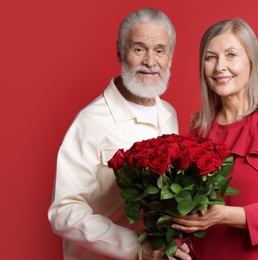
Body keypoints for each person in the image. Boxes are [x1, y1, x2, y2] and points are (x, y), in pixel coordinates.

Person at [48, 8, 191, 260]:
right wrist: (135, 247)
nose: (150, 61)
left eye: (160, 50)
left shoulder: (169, 113)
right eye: (139, 49)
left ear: (170, 56)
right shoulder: (91, 120)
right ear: (120, 51)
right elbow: (63, 210)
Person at [171, 18, 258, 260]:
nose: (219, 67)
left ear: (251, 61)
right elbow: (190, 208)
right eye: (211, 57)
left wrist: (227, 215)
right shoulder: (198, 129)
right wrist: (178, 242)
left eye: (231, 55)